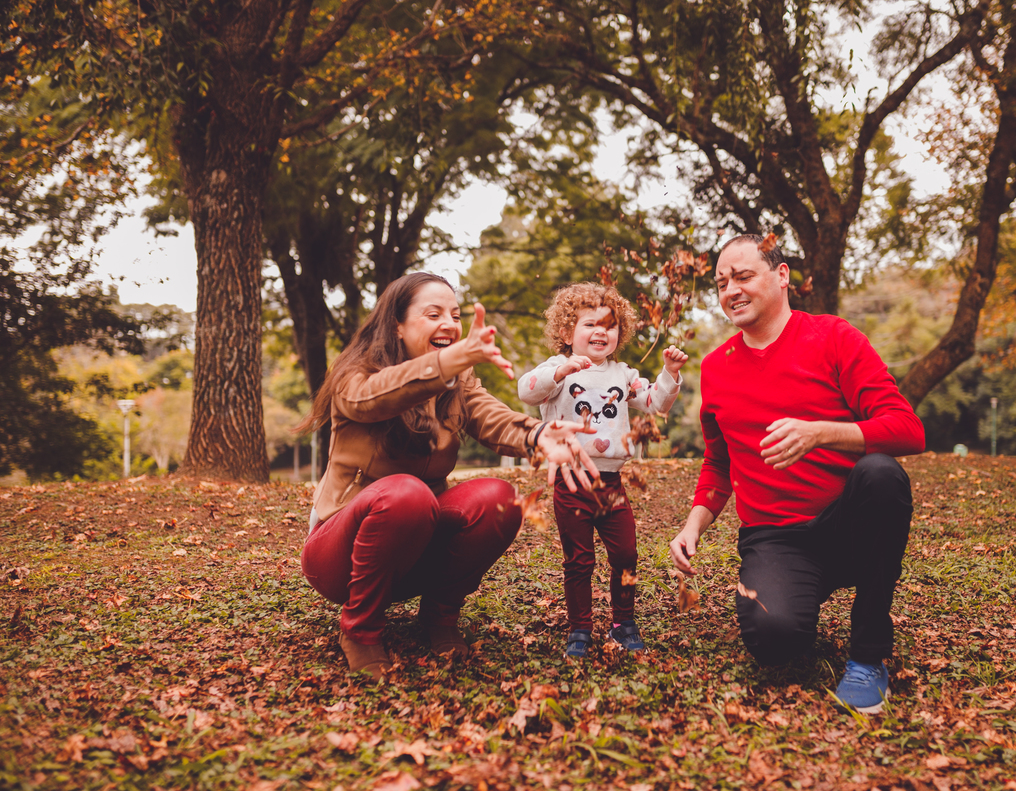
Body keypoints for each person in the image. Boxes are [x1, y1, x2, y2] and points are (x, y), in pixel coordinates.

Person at [298, 272, 598, 681]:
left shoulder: (458, 380)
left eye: (455, 314)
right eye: (433, 313)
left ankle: (439, 616)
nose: (450, 324)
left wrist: (539, 433)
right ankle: (361, 630)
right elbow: (378, 396)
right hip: (341, 558)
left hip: (415, 544)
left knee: (499, 497)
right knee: (407, 493)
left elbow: (490, 416)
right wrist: (450, 360)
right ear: (397, 326)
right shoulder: (355, 375)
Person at [668, 235, 925, 714]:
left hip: (847, 525)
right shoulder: (717, 368)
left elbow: (908, 429)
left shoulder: (834, 337)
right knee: (774, 642)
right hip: (775, 539)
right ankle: (794, 600)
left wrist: (823, 433)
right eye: (722, 283)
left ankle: (868, 656)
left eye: (743, 276)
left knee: (881, 474)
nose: (731, 291)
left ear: (781, 276)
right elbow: (719, 464)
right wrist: (693, 525)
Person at [517, 283, 688, 658]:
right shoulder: (554, 370)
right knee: (579, 560)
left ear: (619, 333)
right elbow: (525, 391)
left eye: (609, 326)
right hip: (570, 482)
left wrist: (669, 372)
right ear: (566, 332)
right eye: (590, 324)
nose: (600, 331)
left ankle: (623, 621)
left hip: (611, 485)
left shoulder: (624, 374)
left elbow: (655, 402)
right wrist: (560, 371)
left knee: (626, 554)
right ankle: (580, 626)